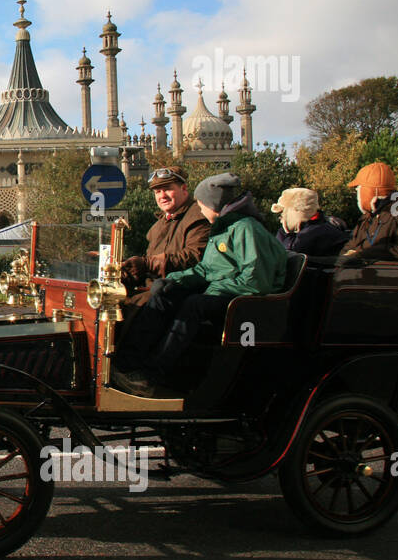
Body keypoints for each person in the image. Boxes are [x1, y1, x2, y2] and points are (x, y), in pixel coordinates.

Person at [113, 172, 288, 398]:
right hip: (228, 293)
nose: (200, 209)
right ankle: (127, 365)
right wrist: (173, 280)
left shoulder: (246, 228)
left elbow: (256, 281)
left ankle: (153, 374)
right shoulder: (223, 227)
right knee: (165, 290)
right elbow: (206, 269)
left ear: (214, 204)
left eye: (202, 203)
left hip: (248, 304)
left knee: (194, 304)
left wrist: (214, 289)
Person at [119, 166, 210, 307]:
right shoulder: (159, 226)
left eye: (168, 189)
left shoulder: (198, 216)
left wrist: (147, 264)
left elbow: (194, 257)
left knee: (133, 312)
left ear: (184, 189)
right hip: (154, 289)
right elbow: (147, 266)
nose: (162, 196)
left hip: (178, 292)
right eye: (157, 191)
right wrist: (125, 270)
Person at [271, 188, 348, 257]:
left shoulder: (314, 232)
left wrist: (286, 232)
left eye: (283, 212)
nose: (281, 218)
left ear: (296, 211)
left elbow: (287, 254)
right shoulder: (320, 226)